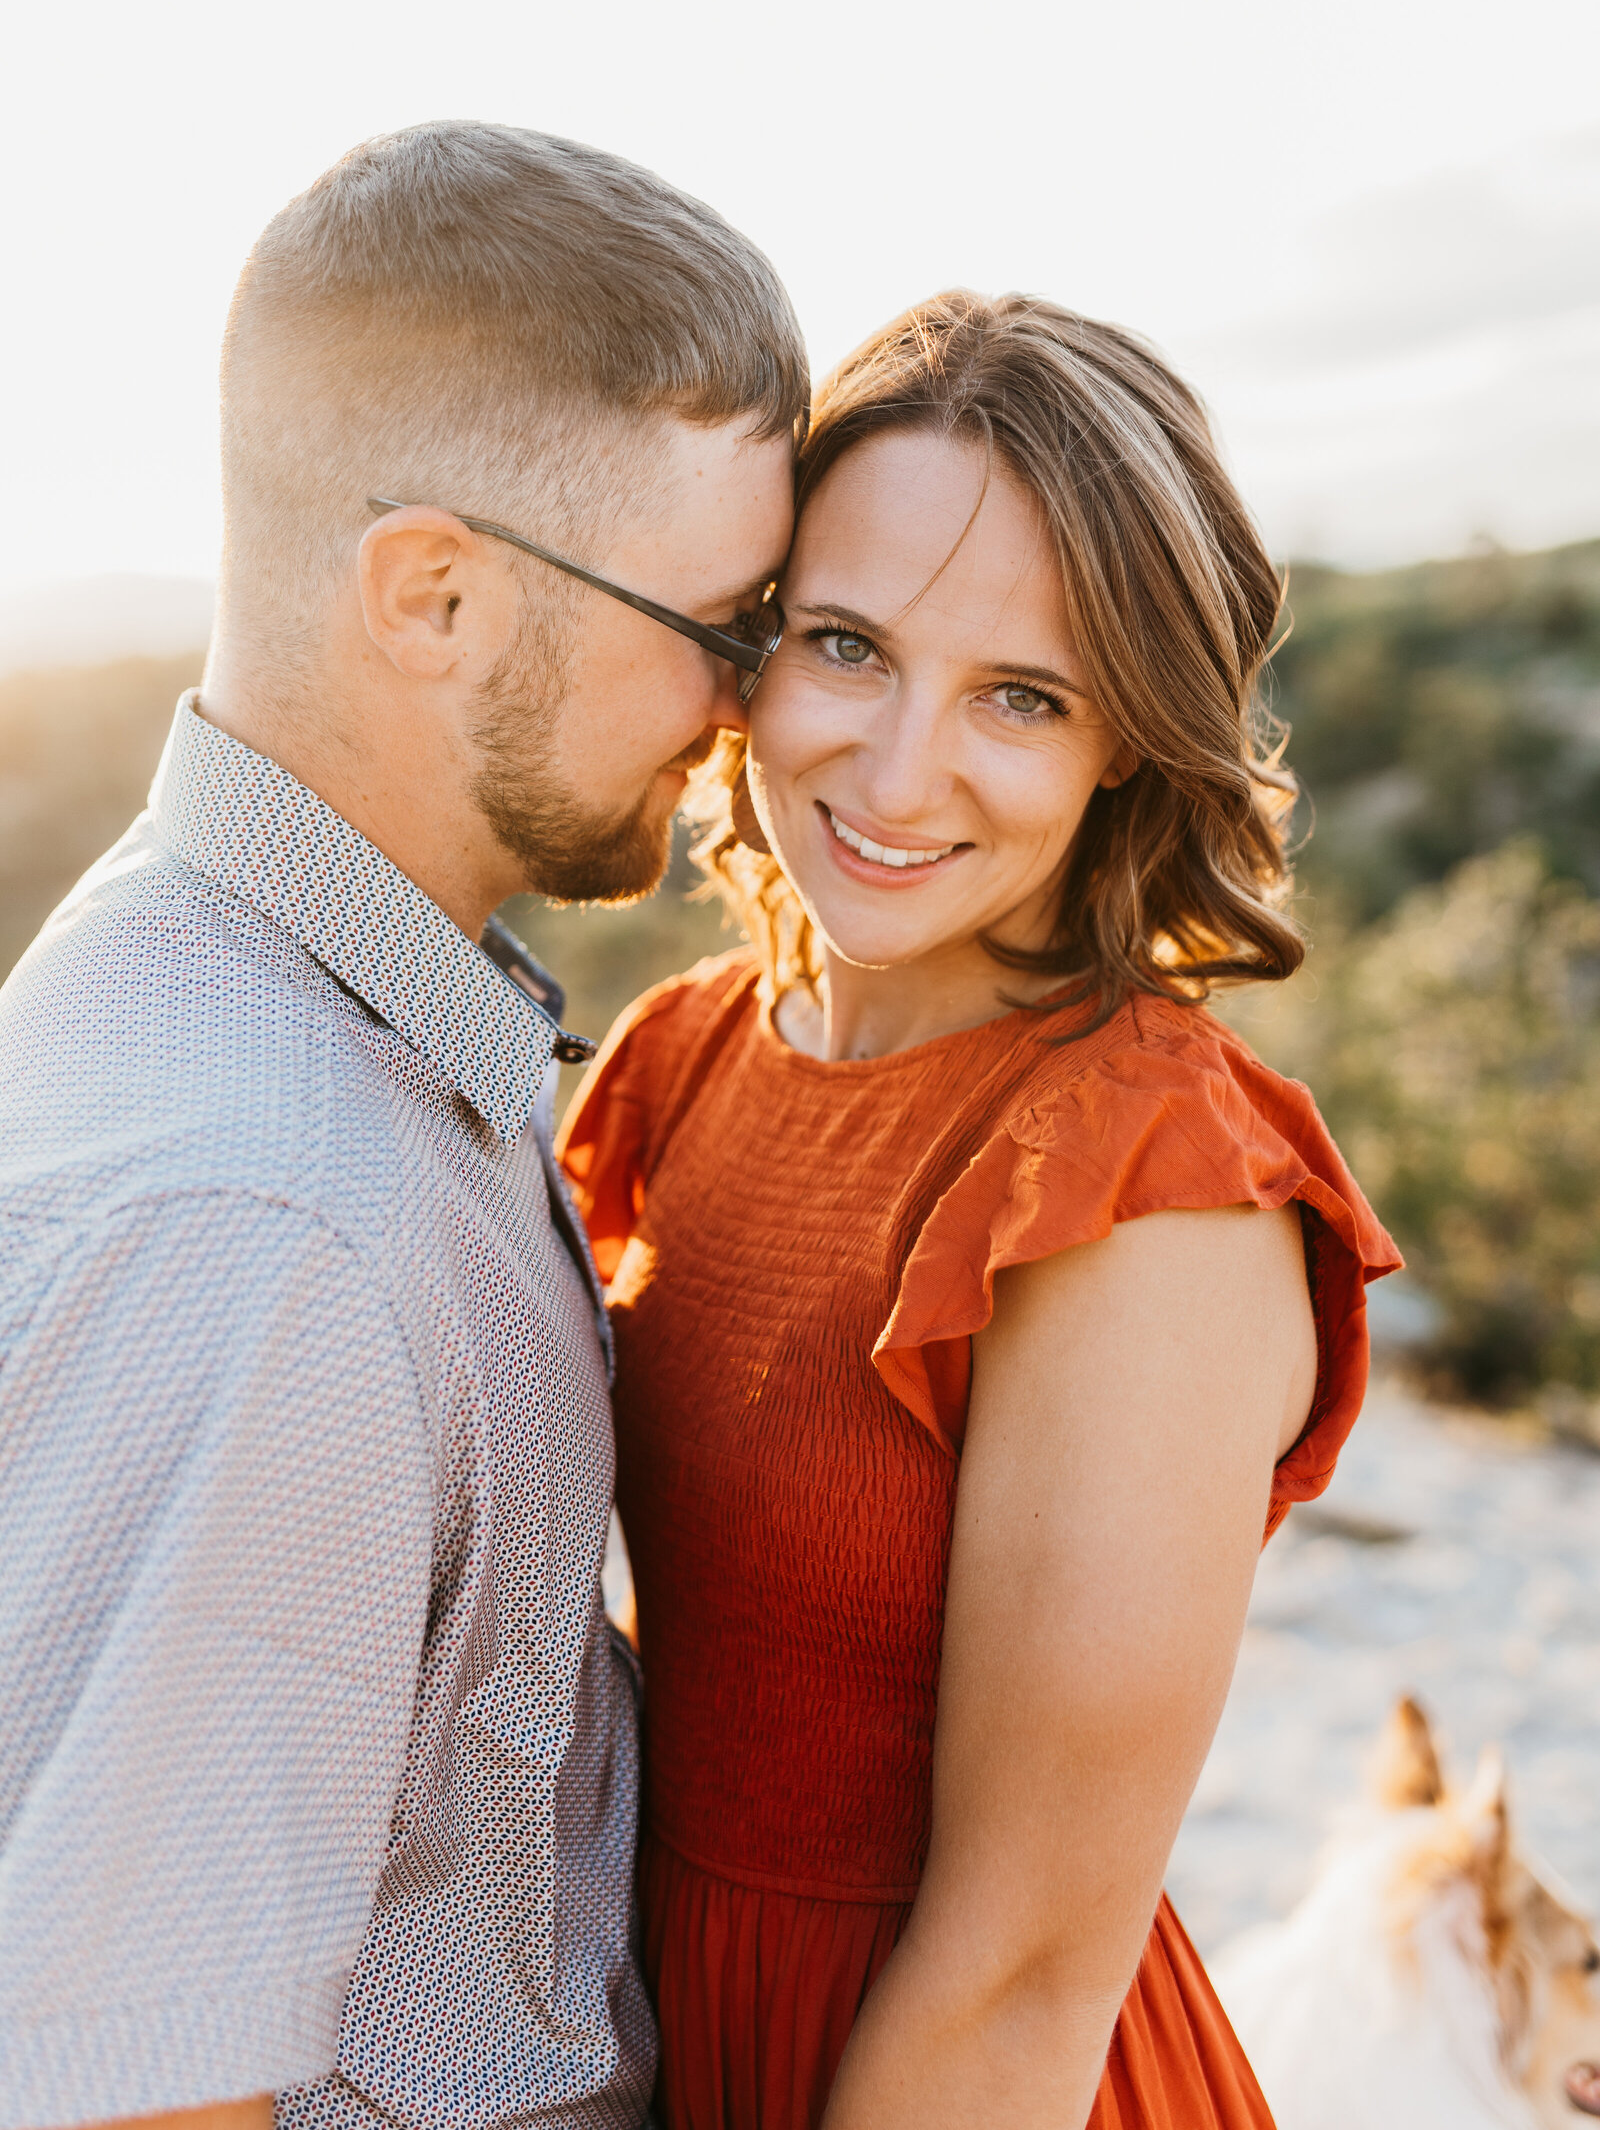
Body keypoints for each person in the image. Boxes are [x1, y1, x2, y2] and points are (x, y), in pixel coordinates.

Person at [0, 122, 807, 2130]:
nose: (748, 704)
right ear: (431, 595)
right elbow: (129, 2094)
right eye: (722, 624)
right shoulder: (273, 1226)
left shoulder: (263, 993)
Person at [558, 292, 1403, 2130]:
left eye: (1024, 696)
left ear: (1130, 746)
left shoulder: (1140, 1187)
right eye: (847, 647)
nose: (900, 767)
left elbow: (1024, 1978)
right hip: (659, 2037)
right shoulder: (683, 1058)